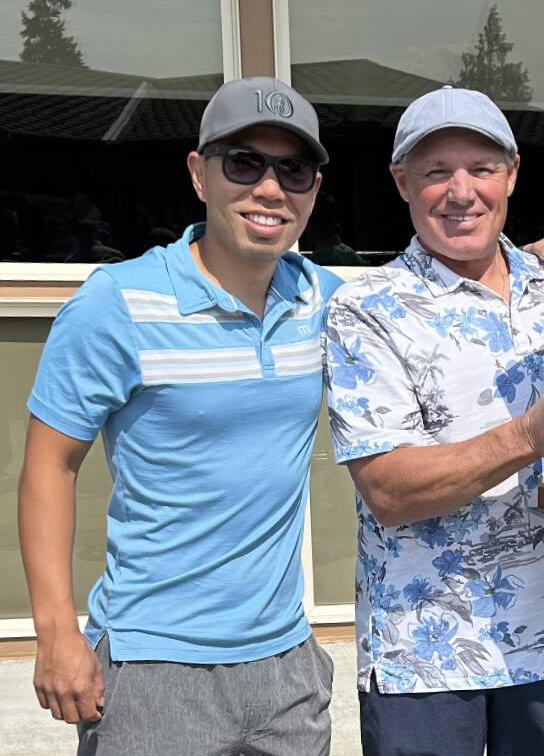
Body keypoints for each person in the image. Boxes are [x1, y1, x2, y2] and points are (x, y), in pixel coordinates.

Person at [19, 77, 341, 754]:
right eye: (243, 162)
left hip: (286, 665)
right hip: (152, 668)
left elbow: (434, 290)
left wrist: (531, 263)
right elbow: (50, 465)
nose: (270, 188)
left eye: (294, 168)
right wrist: (55, 631)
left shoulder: (324, 301)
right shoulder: (117, 303)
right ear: (199, 173)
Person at [323, 86, 544, 755]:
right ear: (402, 182)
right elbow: (390, 489)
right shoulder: (366, 308)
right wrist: (526, 435)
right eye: (436, 172)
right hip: (423, 653)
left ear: (512, 173)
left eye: (481, 169)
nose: (461, 191)